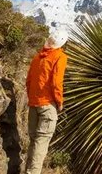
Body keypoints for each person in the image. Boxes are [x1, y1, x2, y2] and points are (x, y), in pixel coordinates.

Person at [24, 29, 69, 174]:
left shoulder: (38, 57)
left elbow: (29, 81)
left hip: (33, 104)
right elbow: (57, 82)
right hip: (48, 105)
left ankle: (28, 171)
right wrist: (59, 101)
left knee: (34, 141)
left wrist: (32, 98)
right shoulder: (60, 57)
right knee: (41, 142)